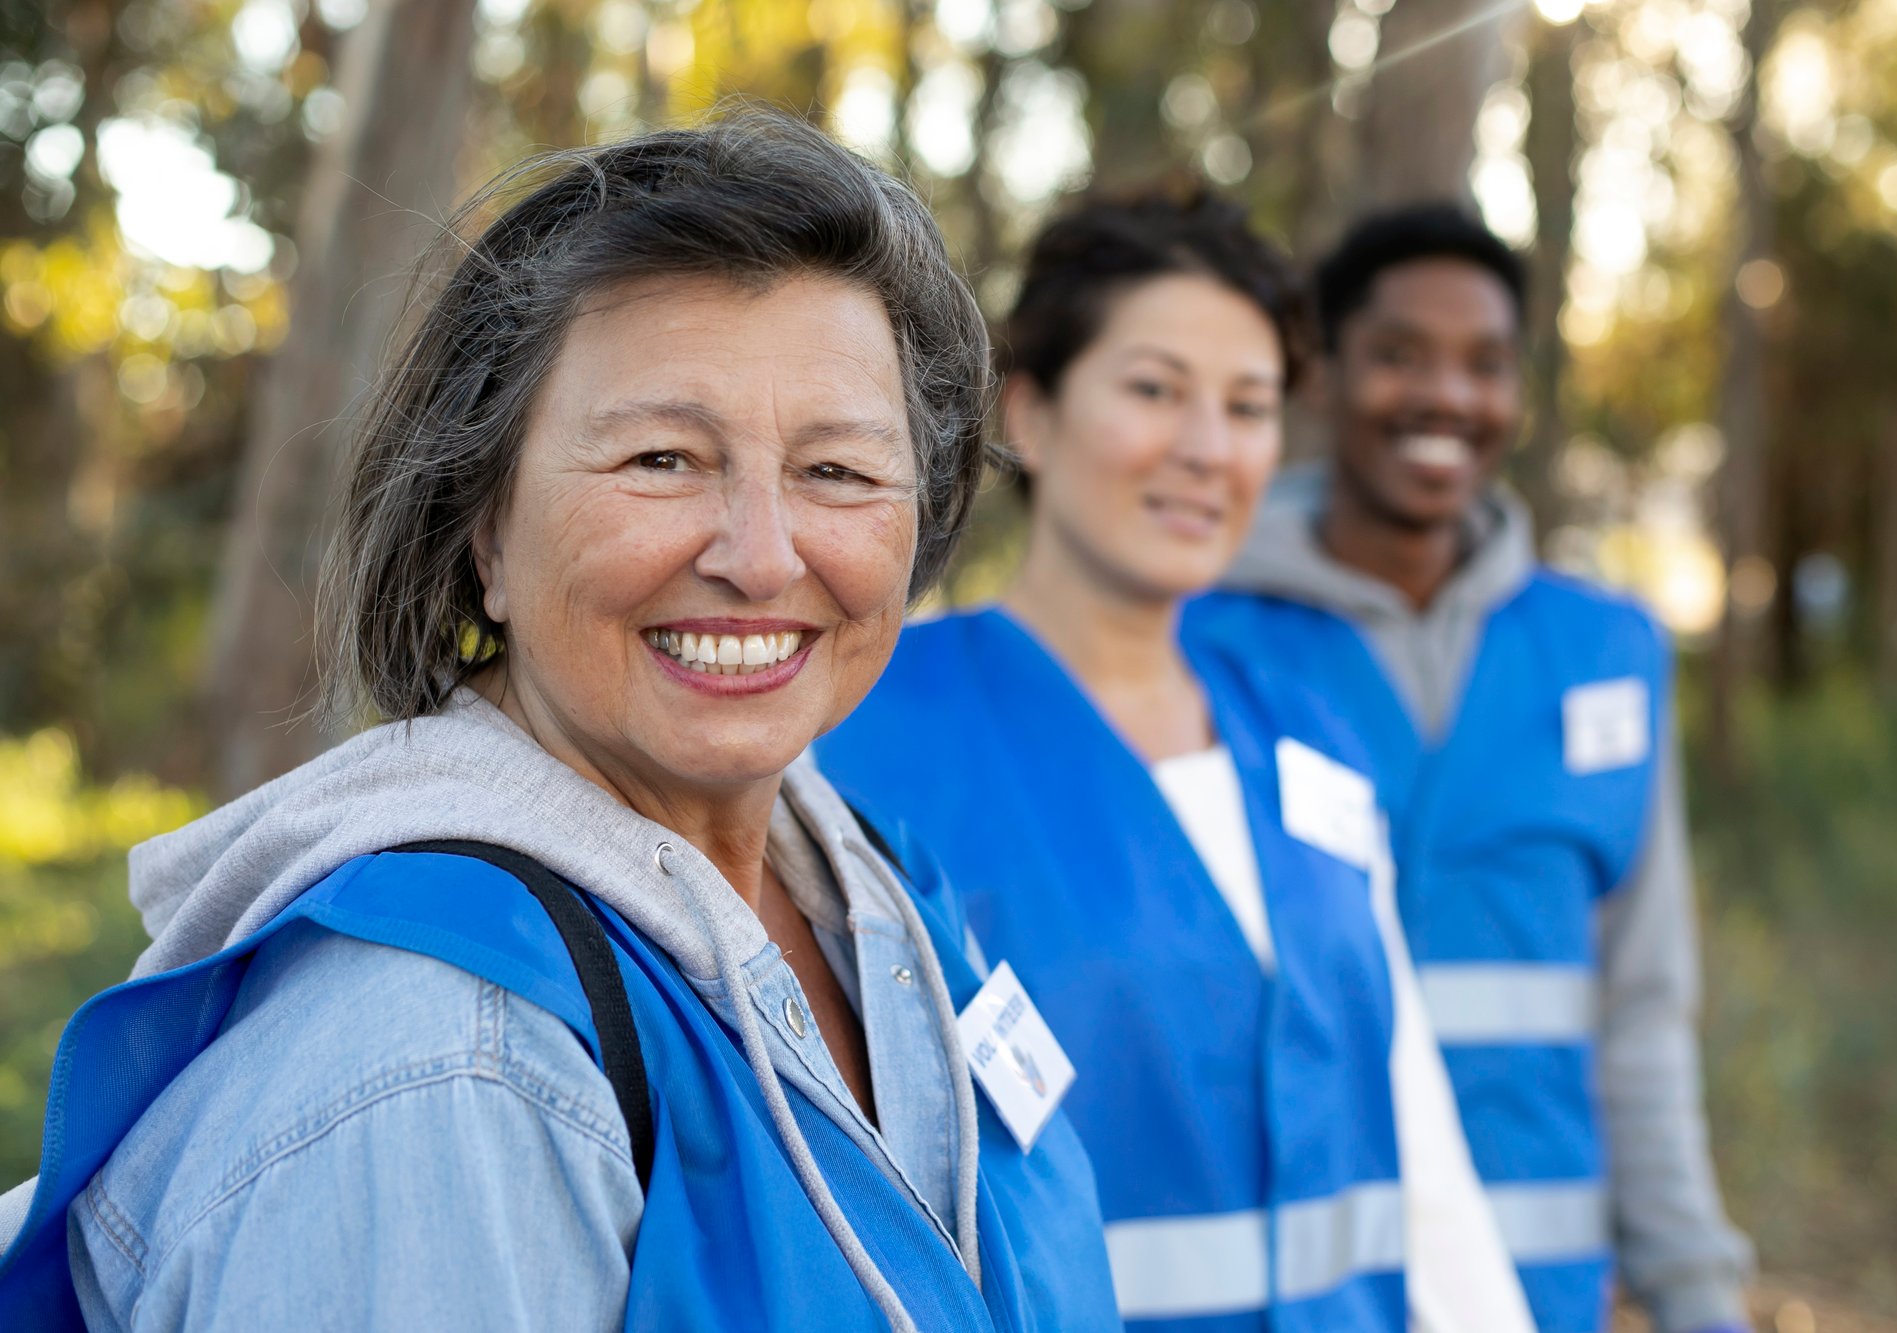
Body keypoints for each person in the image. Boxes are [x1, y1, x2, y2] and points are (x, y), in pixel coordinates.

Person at [0, 114, 1121, 1332]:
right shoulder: (442, 1065)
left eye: (837, 472)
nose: (759, 556)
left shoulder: (876, 894)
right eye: (660, 459)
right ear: (481, 528)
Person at [815, 186, 1531, 1333]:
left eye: (1247, 406)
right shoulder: (862, 738)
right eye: (1153, 390)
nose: (1207, 448)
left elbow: (1416, 1147)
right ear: (1033, 417)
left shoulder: (1311, 746)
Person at [1182, 204, 1755, 1333]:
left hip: (1537, 1295)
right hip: (1292, 1296)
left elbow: (1640, 1007)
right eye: (1399, 355)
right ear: (1321, 374)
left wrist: (1694, 1292)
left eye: (1485, 364)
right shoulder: (1195, 638)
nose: (1446, 396)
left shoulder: (1608, 654)